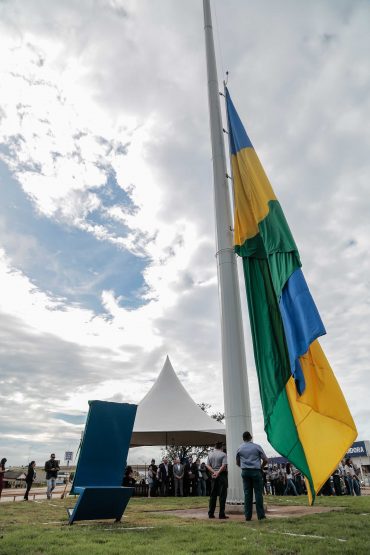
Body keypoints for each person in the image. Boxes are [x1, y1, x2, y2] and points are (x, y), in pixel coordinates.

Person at [236, 431, 268, 521]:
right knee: (258, 493)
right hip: (256, 471)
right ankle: (261, 516)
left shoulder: (240, 448)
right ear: (251, 437)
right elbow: (265, 459)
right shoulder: (257, 447)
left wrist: (243, 467)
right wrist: (261, 467)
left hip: (245, 472)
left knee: (247, 494)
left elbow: (237, 462)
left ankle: (247, 516)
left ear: (243, 438)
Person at [206, 441, 228, 519]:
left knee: (213, 494)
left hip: (213, 475)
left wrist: (214, 472)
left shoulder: (210, 454)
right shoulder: (223, 454)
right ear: (221, 447)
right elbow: (224, 466)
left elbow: (207, 465)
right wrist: (218, 472)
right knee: (222, 495)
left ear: (215, 446)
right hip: (222, 475)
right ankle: (221, 514)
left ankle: (210, 513)